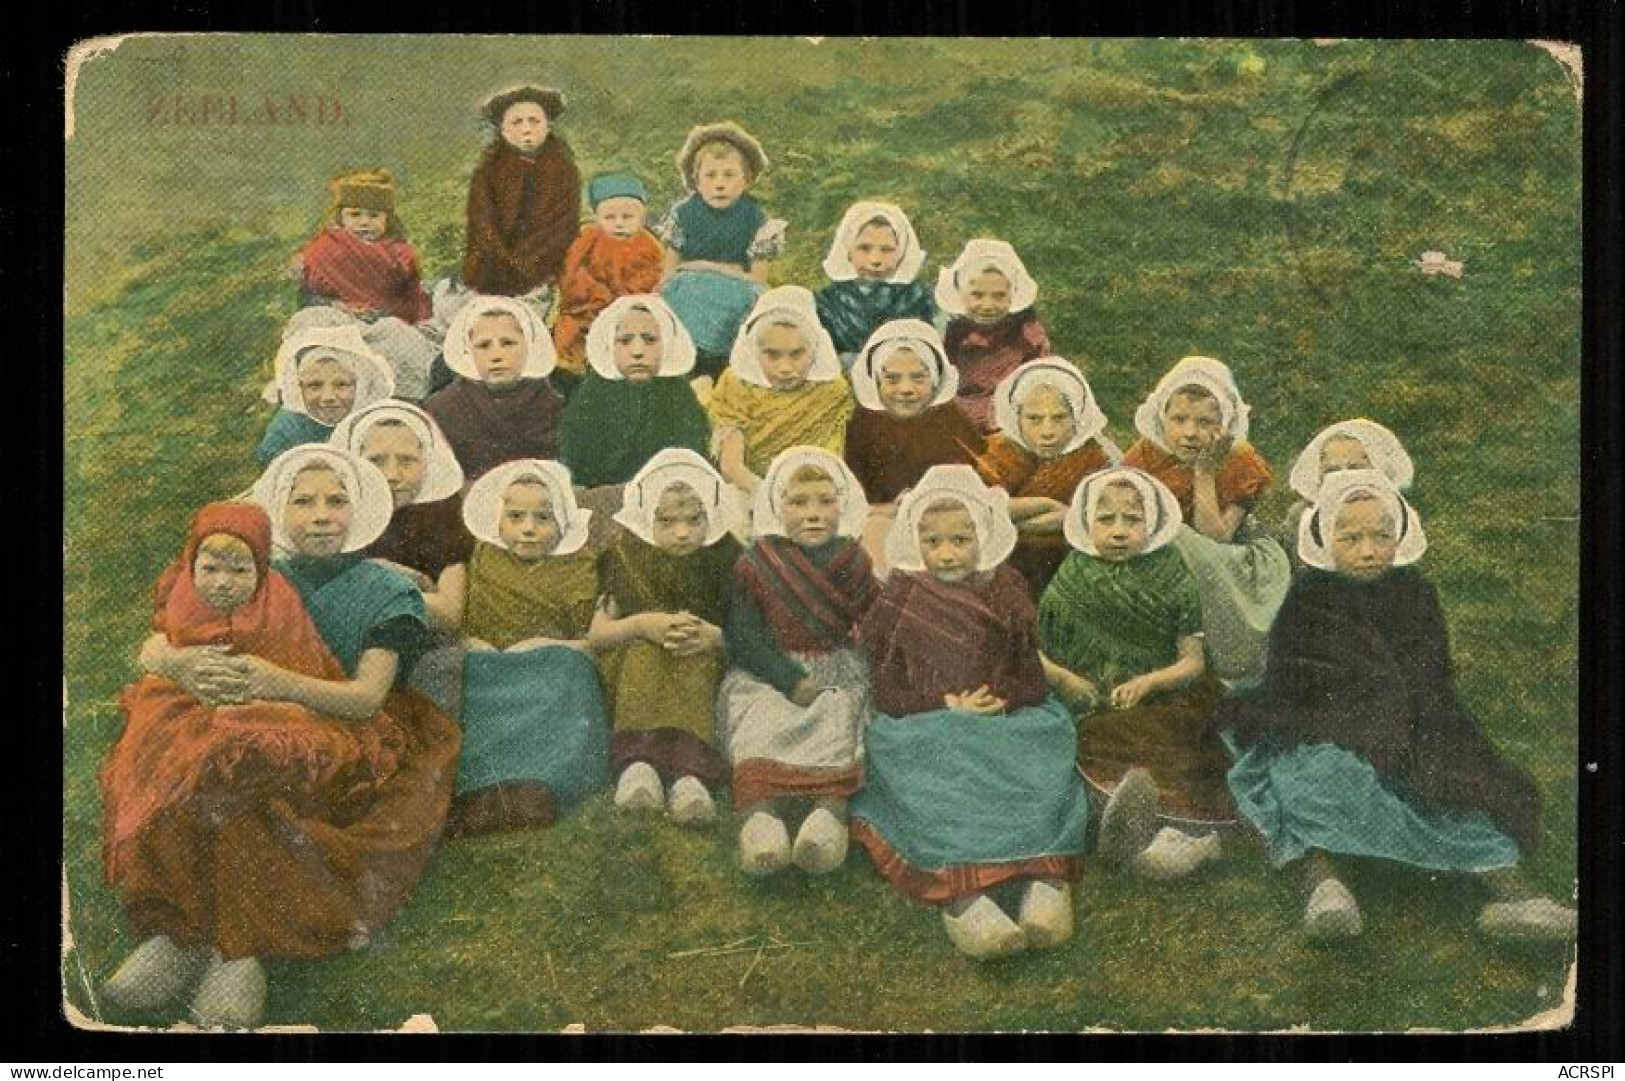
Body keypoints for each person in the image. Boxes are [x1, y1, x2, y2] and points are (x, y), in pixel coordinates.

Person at [102, 450, 459, 1029]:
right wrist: (179, 663)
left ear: (360, 509)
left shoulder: (381, 589)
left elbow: (366, 697)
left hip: (343, 734)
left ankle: (235, 950)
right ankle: (178, 935)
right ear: (279, 512)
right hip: (242, 724)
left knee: (236, 783)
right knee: (188, 762)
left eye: (336, 502)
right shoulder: (254, 567)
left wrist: (275, 682)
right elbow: (157, 639)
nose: (321, 516)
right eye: (304, 502)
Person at [1220, 470, 1574, 944]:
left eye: (1380, 536)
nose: (1367, 550)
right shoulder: (1308, 597)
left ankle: (1512, 897)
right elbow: (1295, 678)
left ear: (1400, 534)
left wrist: (1396, 719)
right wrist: (1349, 719)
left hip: (1408, 726)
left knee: (1453, 787)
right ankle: (1326, 888)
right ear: (1325, 539)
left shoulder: (1415, 592)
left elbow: (1430, 677)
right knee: (1315, 779)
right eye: (1350, 538)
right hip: (1325, 725)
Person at [850, 466, 1089, 959]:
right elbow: (887, 687)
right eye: (933, 542)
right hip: (929, 718)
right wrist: (945, 704)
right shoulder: (899, 597)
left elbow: (1029, 672)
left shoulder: (1005, 589)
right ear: (916, 543)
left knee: (1036, 748)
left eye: (961, 539)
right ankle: (966, 896)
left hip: (999, 713)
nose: (948, 553)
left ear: (984, 536)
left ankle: (1044, 884)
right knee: (938, 763)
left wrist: (999, 698)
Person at [1039, 467, 1233, 882]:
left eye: (1133, 519)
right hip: (1096, 698)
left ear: (1155, 522)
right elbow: (1046, 651)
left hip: (1166, 692)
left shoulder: (1172, 571)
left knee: (1161, 735)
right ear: (1085, 522)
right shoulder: (1072, 574)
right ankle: (1118, 818)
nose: (1119, 531)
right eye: (1105, 519)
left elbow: (1192, 662)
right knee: (1088, 739)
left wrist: (1149, 682)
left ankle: (1176, 835)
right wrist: (1070, 682)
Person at [718, 448, 877, 877]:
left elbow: (875, 620)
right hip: (772, 671)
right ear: (775, 504)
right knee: (759, 720)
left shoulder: (854, 560)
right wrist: (787, 678)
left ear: (843, 505)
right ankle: (761, 818)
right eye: (798, 502)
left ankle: (827, 817)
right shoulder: (757, 562)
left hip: (835, 667)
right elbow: (744, 635)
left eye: (825, 501)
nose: (813, 514)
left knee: (839, 717)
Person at [450, 460, 610, 836]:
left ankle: (541, 782)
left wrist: (555, 645)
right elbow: (469, 619)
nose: (528, 529)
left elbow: (588, 632)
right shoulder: (484, 558)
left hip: (553, 659)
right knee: (466, 675)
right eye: (516, 516)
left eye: (543, 518)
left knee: (572, 672)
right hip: (492, 659)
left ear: (563, 522)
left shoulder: (578, 563)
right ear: (498, 519)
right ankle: (480, 787)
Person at [590, 449, 743, 826]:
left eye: (695, 520)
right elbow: (598, 633)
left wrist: (715, 637)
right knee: (644, 652)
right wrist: (642, 625)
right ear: (646, 518)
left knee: (694, 659)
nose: (682, 532)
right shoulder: (625, 555)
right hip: (635, 663)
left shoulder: (728, 558)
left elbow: (751, 633)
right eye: (667, 521)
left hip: (702, 659)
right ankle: (638, 764)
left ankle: (690, 775)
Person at [1123, 355, 1290, 687]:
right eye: (1180, 419)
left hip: (1229, 552)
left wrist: (1204, 473)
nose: (1190, 433)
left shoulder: (1240, 460)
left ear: (1224, 423)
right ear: (1162, 417)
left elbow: (1215, 537)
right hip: (1160, 545)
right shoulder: (1145, 455)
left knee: (1180, 539)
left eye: (1205, 422)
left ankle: (1215, 662)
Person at [844, 319, 985, 577]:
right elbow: (852, 498)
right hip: (886, 521)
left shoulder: (950, 419)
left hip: (944, 523)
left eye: (918, 378)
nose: (905, 389)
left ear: (935, 379)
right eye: (893, 379)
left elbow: (977, 476)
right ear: (875, 381)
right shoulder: (862, 425)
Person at [286, 168, 440, 401]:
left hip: (386, 321)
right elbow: (310, 296)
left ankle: (402, 397)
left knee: (399, 338)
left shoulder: (399, 253)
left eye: (373, 216)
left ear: (387, 220)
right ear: (341, 217)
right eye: (355, 215)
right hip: (341, 320)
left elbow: (409, 297)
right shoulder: (326, 249)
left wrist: (393, 314)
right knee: (311, 323)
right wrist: (339, 306)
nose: (364, 223)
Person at [657, 121, 786, 392]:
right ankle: (684, 372)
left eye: (729, 175)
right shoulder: (683, 214)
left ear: (746, 180)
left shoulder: (755, 219)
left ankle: (719, 374)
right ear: (695, 180)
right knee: (679, 298)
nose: (719, 185)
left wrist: (705, 267)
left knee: (742, 312)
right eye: (711, 176)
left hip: (733, 297)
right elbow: (669, 273)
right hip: (688, 297)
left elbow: (758, 282)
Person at [974, 358, 1119, 596]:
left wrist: (1068, 519)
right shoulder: (997, 453)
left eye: (1060, 418)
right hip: (1001, 566)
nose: (1047, 431)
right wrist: (1047, 507)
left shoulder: (1096, 458)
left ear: (1077, 418)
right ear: (1016, 417)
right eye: (1034, 419)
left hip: (1072, 569)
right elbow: (973, 507)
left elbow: (1105, 514)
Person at [708, 285, 854, 497]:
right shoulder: (737, 384)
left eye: (796, 355)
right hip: (749, 489)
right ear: (755, 352)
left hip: (810, 490)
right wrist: (768, 494)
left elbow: (829, 459)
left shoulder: (831, 390)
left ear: (813, 352)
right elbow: (731, 467)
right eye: (772, 355)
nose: (785, 367)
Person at [557, 295, 710, 490]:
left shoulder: (678, 393)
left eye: (650, 340)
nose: (637, 351)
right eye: (625, 341)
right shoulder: (591, 393)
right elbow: (574, 455)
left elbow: (691, 451)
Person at [423, 295, 564, 484]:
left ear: (529, 345)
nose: (496, 355)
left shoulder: (555, 405)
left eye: (507, 343)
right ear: (467, 350)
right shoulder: (441, 409)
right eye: (483, 346)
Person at [461, 85, 581, 305]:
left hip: (547, 269)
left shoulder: (563, 169)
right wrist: (507, 265)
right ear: (502, 129)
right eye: (517, 122)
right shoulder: (488, 171)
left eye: (534, 121)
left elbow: (563, 227)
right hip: (495, 271)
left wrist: (530, 267)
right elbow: (482, 226)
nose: (527, 129)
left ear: (547, 125)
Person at [552, 172, 665, 389]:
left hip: (630, 311)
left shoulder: (648, 246)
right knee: (570, 335)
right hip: (588, 308)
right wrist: (596, 296)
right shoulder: (586, 240)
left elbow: (654, 281)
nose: (619, 224)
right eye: (610, 218)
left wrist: (623, 302)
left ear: (641, 217)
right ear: (597, 217)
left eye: (627, 217)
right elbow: (571, 276)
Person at [935, 238, 1051, 431]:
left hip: (1009, 416)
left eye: (999, 296)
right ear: (961, 294)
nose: (988, 306)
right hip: (962, 416)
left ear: (1012, 295)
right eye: (977, 295)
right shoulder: (954, 334)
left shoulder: (1027, 335)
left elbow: (1042, 378)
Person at [813, 201, 935, 368]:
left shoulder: (915, 297)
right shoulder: (829, 300)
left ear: (902, 251)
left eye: (887, 250)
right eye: (864, 248)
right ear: (848, 249)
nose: (875, 260)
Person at [1283, 418, 1415, 566]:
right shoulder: (1303, 518)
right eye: (1332, 471)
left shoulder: (1395, 514)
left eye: (1356, 469)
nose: (1344, 479)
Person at [256, 326, 394, 467]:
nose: (328, 397)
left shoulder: (374, 423)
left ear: (361, 386)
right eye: (314, 385)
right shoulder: (288, 427)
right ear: (299, 388)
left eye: (341, 385)